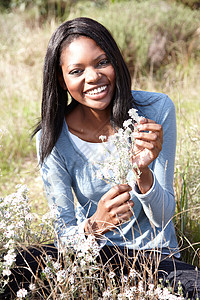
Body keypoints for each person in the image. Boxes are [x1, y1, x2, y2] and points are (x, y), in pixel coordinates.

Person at [3, 17, 199, 299]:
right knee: (12, 267)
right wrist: (98, 223)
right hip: (94, 257)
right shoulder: (52, 138)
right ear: (61, 79)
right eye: (76, 71)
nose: (93, 77)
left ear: (116, 62)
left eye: (101, 62)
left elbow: (164, 218)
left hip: (156, 259)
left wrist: (143, 174)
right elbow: (65, 232)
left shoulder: (155, 110)